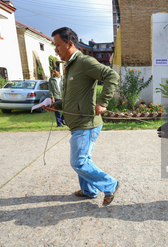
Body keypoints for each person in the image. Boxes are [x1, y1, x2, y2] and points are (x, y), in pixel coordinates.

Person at [44, 27, 120, 206]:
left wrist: (102, 102)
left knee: (78, 162)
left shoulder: (85, 62)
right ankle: (89, 190)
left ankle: (110, 184)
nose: (55, 50)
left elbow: (112, 75)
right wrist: (56, 105)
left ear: (70, 44)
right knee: (84, 160)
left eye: (57, 45)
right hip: (77, 123)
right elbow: (72, 97)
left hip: (87, 123)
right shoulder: (70, 66)